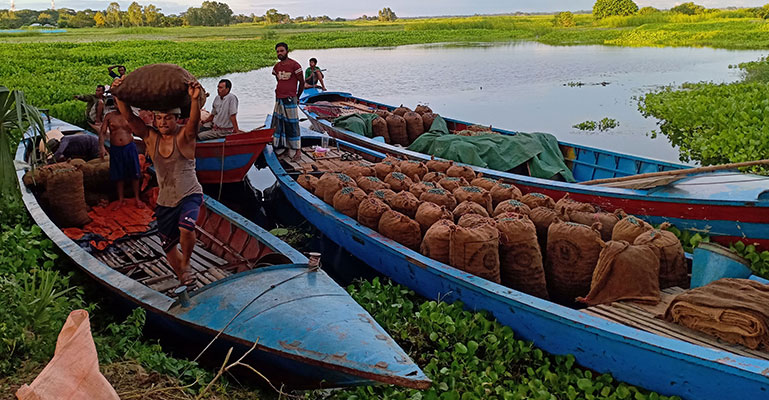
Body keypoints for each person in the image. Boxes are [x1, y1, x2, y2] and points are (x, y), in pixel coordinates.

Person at [112, 78, 203, 287]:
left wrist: (195, 100)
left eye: (168, 118)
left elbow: (194, 124)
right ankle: (183, 276)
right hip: (165, 201)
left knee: (186, 228)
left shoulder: (184, 138)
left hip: (189, 194)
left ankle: (187, 264)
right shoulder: (150, 138)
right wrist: (118, 94)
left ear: (176, 119)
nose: (163, 122)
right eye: (159, 118)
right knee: (169, 246)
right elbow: (130, 118)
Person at [99, 109, 144, 210]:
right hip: (115, 148)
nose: (116, 103)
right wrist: (101, 146)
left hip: (129, 147)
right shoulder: (109, 116)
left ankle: (137, 198)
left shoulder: (130, 115)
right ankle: (120, 199)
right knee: (118, 175)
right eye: (114, 101)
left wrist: (148, 145)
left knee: (135, 173)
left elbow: (142, 130)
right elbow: (102, 132)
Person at [271, 42, 304, 161]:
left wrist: (297, 96)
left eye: (282, 51)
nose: (279, 53)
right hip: (279, 97)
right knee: (279, 123)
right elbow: (278, 80)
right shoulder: (277, 67)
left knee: (293, 124)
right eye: (278, 51)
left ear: (287, 51)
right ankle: (282, 146)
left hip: (291, 98)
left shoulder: (295, 65)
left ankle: (297, 149)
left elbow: (302, 82)